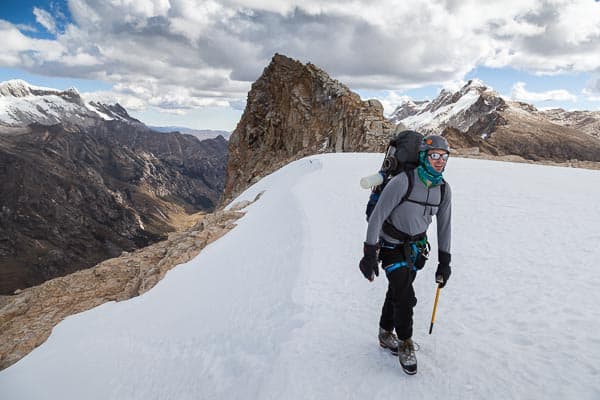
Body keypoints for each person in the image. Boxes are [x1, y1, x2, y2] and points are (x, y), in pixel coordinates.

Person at [358, 134, 452, 375]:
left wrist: (445, 261)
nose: (440, 161)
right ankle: (405, 342)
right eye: (434, 156)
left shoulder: (443, 189)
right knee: (406, 297)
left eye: (444, 156)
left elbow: (444, 225)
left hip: (416, 249)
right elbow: (377, 216)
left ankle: (384, 332)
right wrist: (369, 253)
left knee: (397, 292)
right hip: (390, 246)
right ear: (423, 156)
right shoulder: (403, 181)